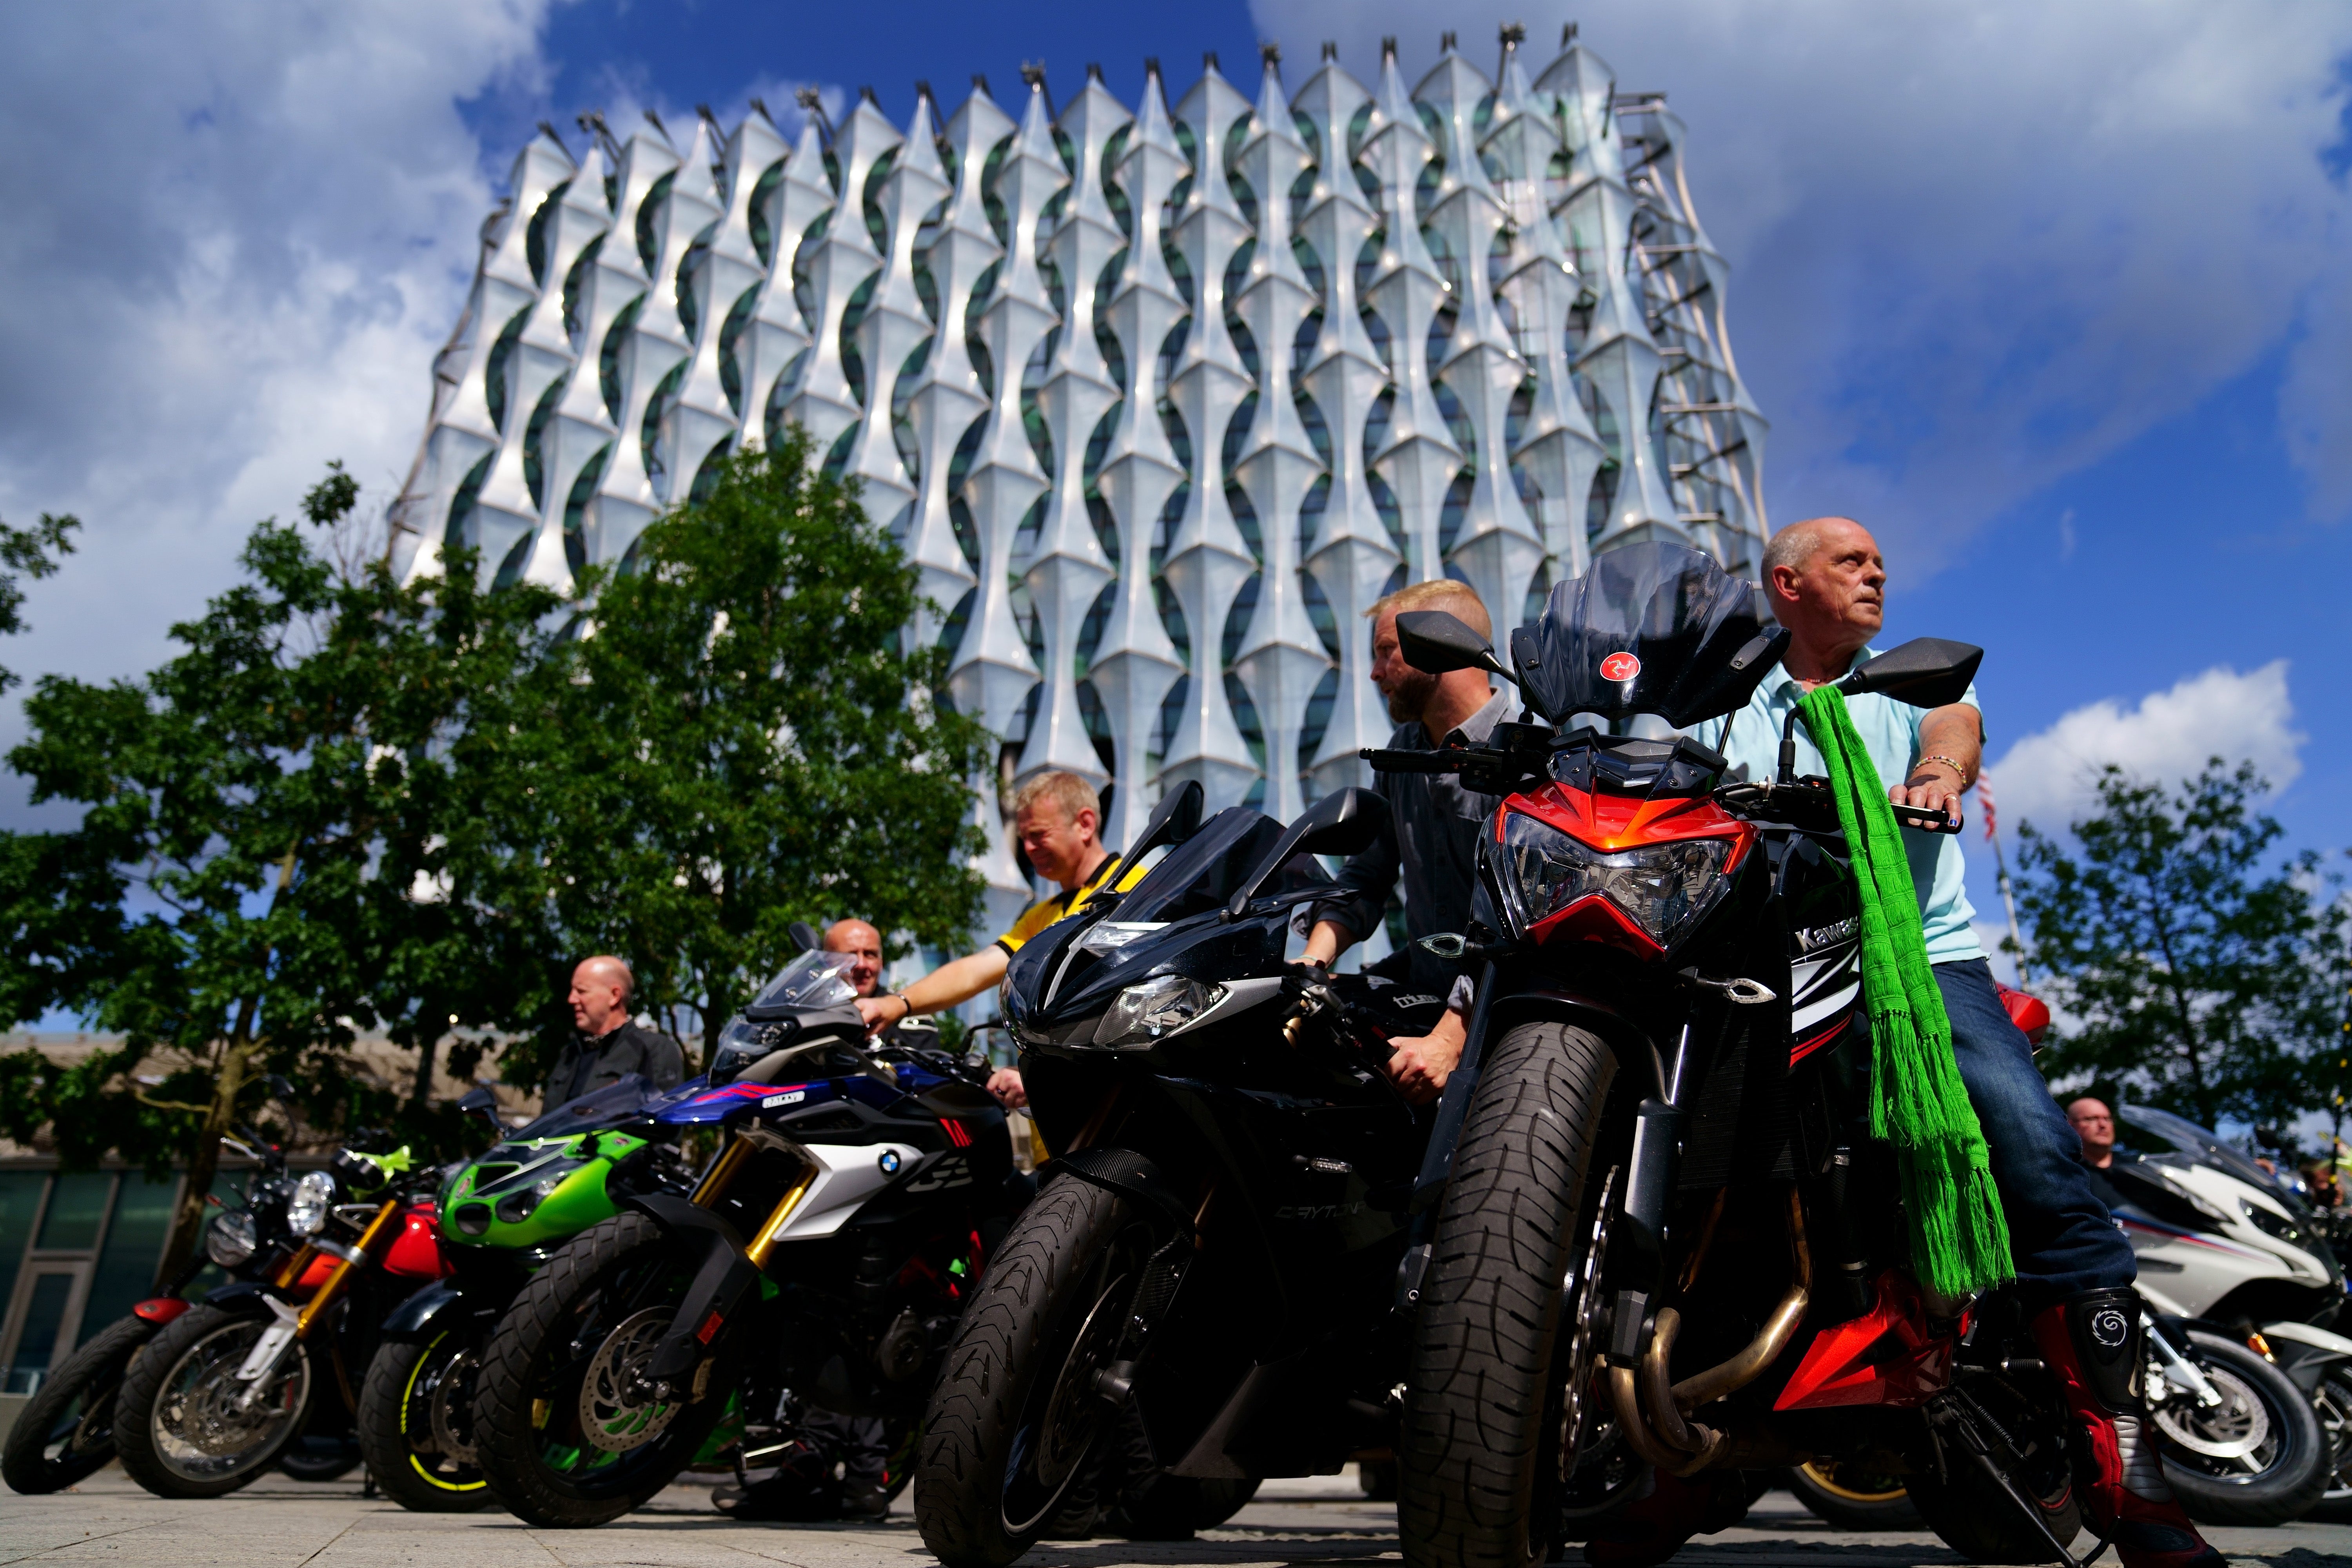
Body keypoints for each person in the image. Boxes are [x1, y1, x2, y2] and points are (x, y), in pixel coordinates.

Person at [1641, 516, 2218, 1568]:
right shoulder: (1726, 702)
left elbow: (1955, 729)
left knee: (2034, 1148)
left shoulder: (1911, 684)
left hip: (1919, 961)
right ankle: (1690, 1458)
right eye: (1852, 564)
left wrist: (1940, 777)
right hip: (1762, 969)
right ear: (1788, 584)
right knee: (1704, 1189)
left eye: (1879, 565)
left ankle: (2125, 1463)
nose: (1878, 577)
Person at [1296, 579, 1510, 1105]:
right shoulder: (1403, 751)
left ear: (1441, 646)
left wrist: (1447, 1038)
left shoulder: (1527, 753)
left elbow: (1519, 925)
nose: (1374, 674)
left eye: (1387, 652)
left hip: (1503, 1018)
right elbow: (1367, 875)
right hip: (1426, 993)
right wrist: (1311, 963)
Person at [855, 771, 1143, 1111]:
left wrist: (1052, 1074)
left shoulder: (1137, 893)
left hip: (1116, 1117)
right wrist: (894, 1005)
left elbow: (1134, 1013)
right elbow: (978, 969)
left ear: (1084, 824)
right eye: (1023, 838)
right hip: (1058, 1119)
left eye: (1038, 835)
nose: (1028, 849)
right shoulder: (1043, 915)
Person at [542, 956, 684, 1109]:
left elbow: (665, 1126)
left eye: (581, 991)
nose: (571, 999)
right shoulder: (570, 1052)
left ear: (614, 996)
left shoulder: (653, 1050)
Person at [2068, 1096, 2119, 1170]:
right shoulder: (2064, 1173)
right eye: (2092, 1119)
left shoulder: (2136, 1167)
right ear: (2071, 1126)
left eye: (2107, 1119)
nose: (2103, 1125)